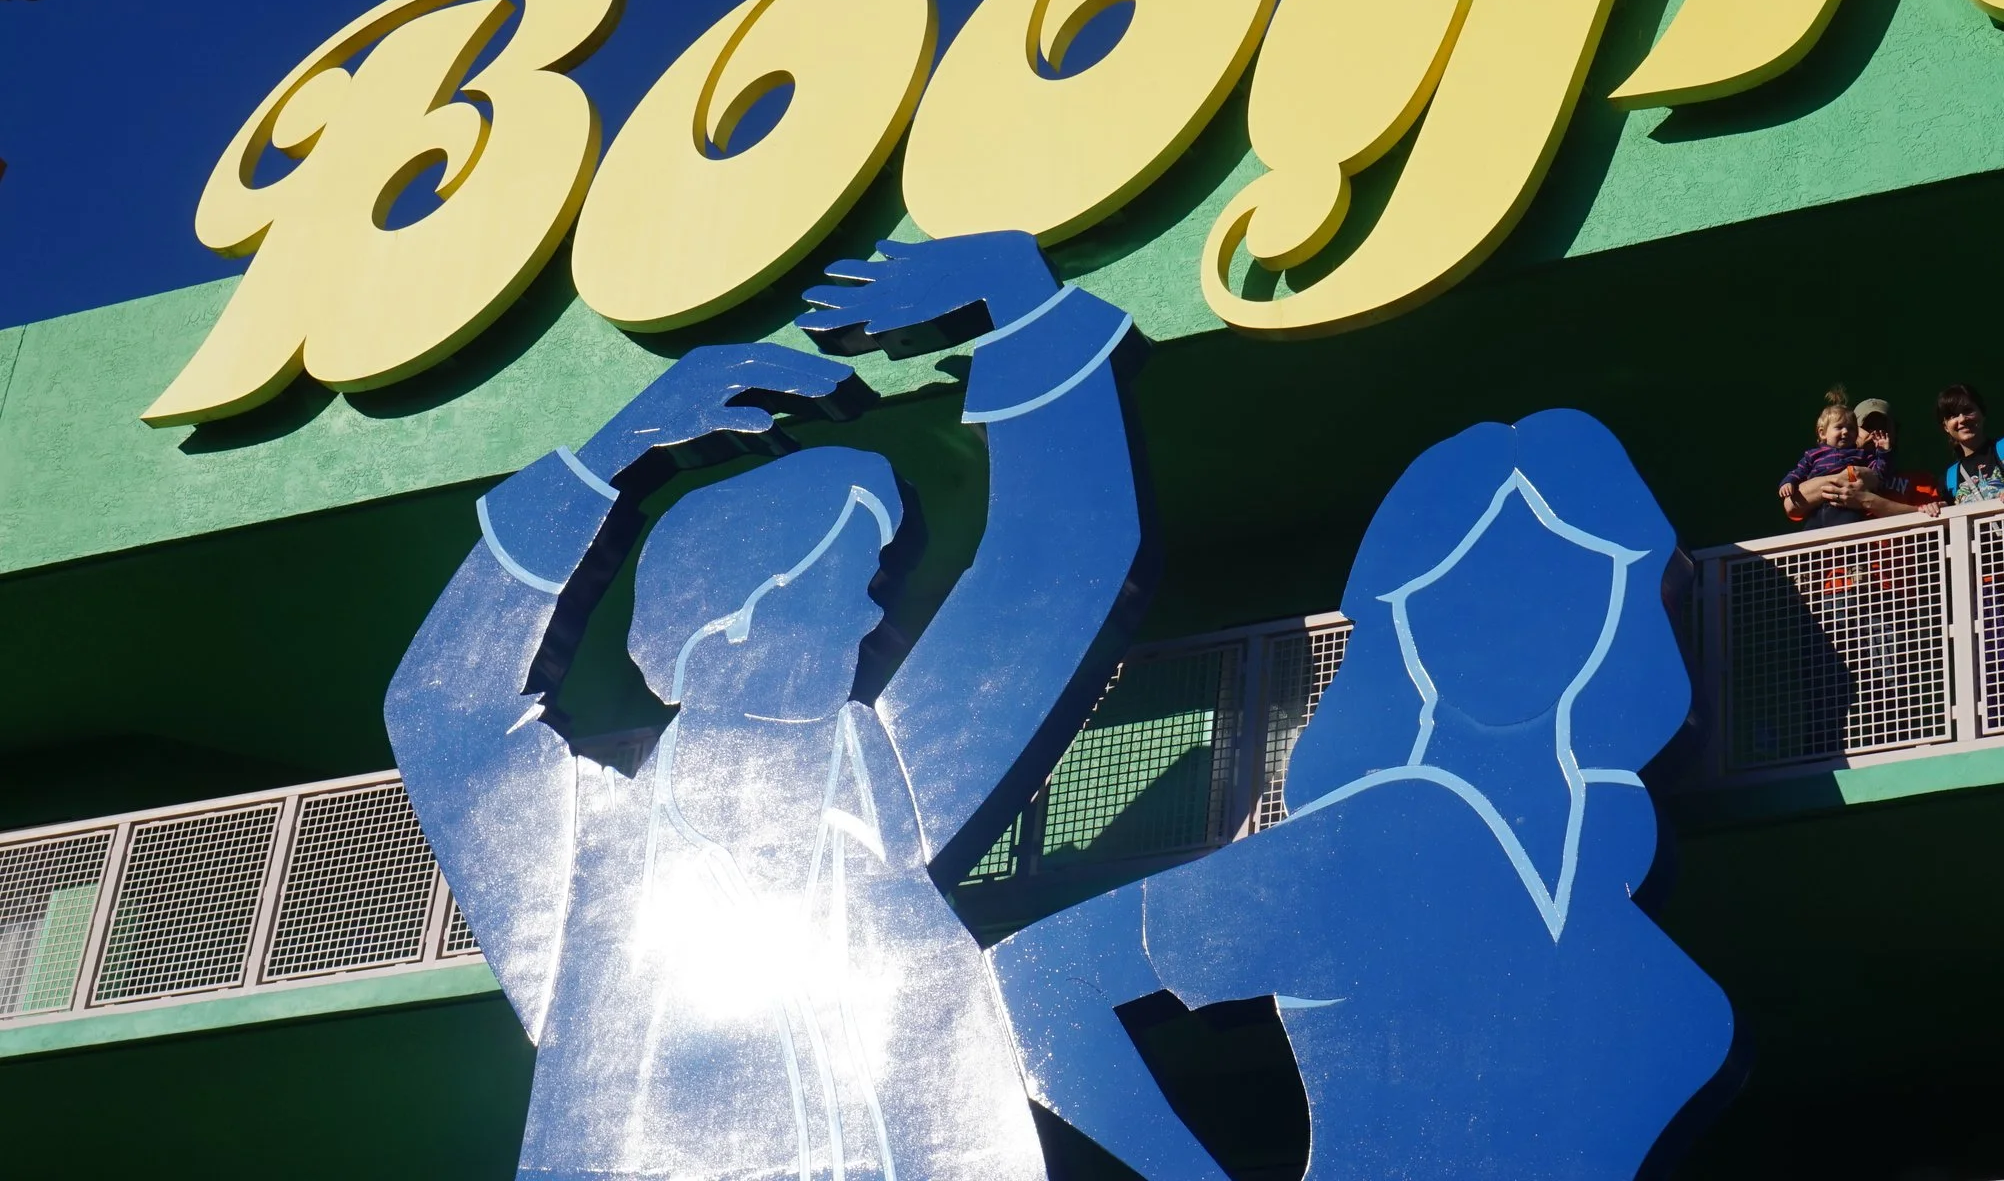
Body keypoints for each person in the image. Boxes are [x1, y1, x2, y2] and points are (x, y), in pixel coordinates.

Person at [385, 231, 1155, 1181]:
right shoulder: (585, 863)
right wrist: (605, 461)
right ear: (729, 626)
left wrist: (1024, 307)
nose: (875, 608)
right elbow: (444, 709)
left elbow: (1055, 567)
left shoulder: (899, 784)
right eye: (838, 581)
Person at [991, 410, 1738, 1181]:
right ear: (1403, 620)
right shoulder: (1385, 833)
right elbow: (1041, 977)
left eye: (1571, 573)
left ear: (1620, 596)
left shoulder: (1596, 853)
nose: (1526, 617)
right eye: (1468, 588)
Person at [1775, 385, 1899, 529]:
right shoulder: (1813, 455)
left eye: (1850, 428)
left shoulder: (1862, 456)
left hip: (1845, 511)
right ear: (1822, 433)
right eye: (1839, 427)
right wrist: (1788, 482)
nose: (1845, 432)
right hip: (1817, 512)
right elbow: (1798, 472)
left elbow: (1881, 472)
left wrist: (1883, 452)